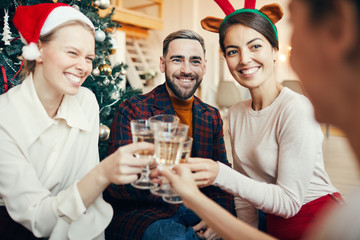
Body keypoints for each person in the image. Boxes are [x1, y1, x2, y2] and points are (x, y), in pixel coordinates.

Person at [160, 0, 360, 239]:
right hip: (274, 226)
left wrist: (220, 173)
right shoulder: (236, 113)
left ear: (275, 50)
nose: (244, 59)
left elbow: (289, 203)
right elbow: (244, 199)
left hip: (316, 221)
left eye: (255, 46)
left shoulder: (295, 108)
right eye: (233, 51)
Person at [0, 3, 153, 239]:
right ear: (39, 49)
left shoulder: (86, 102)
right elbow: (37, 219)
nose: (83, 67)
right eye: (72, 53)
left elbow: (87, 200)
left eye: (89, 58)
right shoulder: (5, 116)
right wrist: (103, 174)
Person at [104, 29, 235, 240]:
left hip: (197, 209)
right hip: (147, 213)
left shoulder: (211, 116)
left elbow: (222, 176)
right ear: (163, 64)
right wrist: (155, 175)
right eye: (177, 60)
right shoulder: (133, 109)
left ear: (204, 67)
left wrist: (220, 218)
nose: (186, 69)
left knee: (256, 220)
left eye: (194, 61)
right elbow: (117, 186)